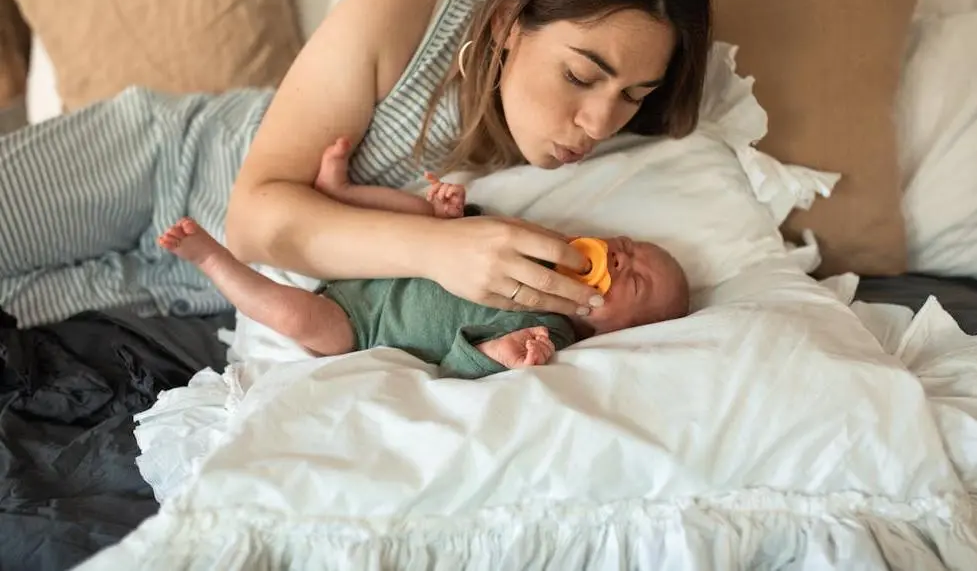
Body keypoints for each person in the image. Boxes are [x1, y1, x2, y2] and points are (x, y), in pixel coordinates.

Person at [0, 0, 712, 328]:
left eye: (633, 97)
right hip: (159, 164)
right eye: (582, 75)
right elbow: (253, 218)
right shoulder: (402, 12)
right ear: (506, 21)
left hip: (192, 291)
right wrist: (441, 248)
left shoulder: (611, 165)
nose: (598, 123)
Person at [155, 147, 691, 378]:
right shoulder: (542, 245)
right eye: (628, 245)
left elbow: (454, 369)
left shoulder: (548, 334)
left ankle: (213, 259)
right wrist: (454, 215)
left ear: (614, 334)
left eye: (636, 280)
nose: (623, 257)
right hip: (384, 262)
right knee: (419, 214)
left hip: (361, 326)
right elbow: (474, 238)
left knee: (297, 318)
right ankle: (340, 191)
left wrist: (497, 353)